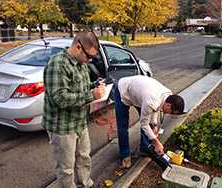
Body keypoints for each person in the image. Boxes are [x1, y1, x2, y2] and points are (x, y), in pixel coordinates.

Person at [43, 31, 104, 188]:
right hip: (62, 126)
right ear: (78, 47)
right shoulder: (57, 64)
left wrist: (94, 86)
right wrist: (91, 95)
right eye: (89, 56)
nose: (89, 61)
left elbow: (79, 88)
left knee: (84, 157)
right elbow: (60, 98)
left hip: (79, 122)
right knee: (66, 168)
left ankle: (85, 184)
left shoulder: (81, 63)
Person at [114, 75, 185, 168]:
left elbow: (156, 108)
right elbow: (144, 123)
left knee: (150, 126)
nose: (169, 114)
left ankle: (145, 149)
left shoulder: (168, 95)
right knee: (123, 126)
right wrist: (156, 142)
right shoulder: (151, 101)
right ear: (168, 105)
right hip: (123, 90)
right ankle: (125, 155)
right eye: (171, 112)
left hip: (140, 93)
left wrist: (154, 124)